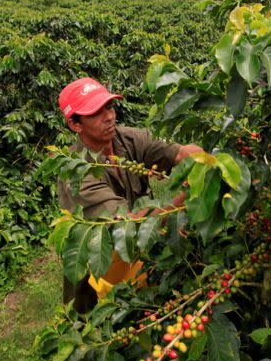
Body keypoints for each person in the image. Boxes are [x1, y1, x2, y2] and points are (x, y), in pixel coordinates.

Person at [56, 77, 203, 313]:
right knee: (95, 318)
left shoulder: (128, 138)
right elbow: (127, 223)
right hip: (101, 257)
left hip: (136, 248)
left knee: (141, 306)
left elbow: (182, 153)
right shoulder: (75, 174)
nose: (109, 116)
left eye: (110, 107)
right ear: (76, 125)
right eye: (95, 113)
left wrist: (209, 165)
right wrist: (183, 199)